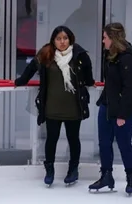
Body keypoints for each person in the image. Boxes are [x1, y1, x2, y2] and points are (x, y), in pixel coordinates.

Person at [14, 25, 95, 186]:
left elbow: (88, 77)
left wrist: (90, 82)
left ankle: (73, 170)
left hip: (73, 107)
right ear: (53, 40)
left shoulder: (79, 55)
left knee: (73, 139)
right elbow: (30, 70)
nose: (62, 42)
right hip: (52, 108)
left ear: (70, 39)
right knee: (51, 139)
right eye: (59, 39)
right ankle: (49, 170)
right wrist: (20, 81)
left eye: (65, 38)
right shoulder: (46, 54)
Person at [89, 23, 132, 195]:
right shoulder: (109, 55)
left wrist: (122, 114)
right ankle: (106, 176)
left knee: (124, 143)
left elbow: (129, 87)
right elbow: (110, 82)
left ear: (113, 38)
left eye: (105, 37)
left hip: (125, 110)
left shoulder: (127, 57)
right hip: (108, 105)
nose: (103, 41)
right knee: (104, 142)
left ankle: (131, 177)